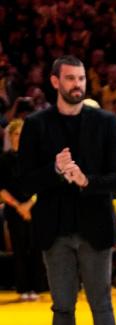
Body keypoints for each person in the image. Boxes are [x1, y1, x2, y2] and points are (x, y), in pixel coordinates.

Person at [19, 55, 116, 325]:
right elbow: (23, 182)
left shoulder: (106, 122)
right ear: (55, 82)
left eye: (81, 78)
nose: (77, 84)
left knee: (102, 307)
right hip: (55, 231)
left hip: (94, 228)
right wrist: (54, 170)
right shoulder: (36, 125)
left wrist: (87, 181)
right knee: (62, 308)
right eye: (70, 78)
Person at [1, 119, 46, 300]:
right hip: (14, 210)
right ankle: (23, 288)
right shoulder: (3, 160)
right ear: (10, 136)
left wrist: (29, 204)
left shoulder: (35, 158)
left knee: (36, 247)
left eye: (22, 134)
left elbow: (41, 185)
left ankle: (37, 287)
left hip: (34, 207)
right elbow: (2, 188)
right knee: (19, 249)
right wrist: (19, 206)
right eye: (16, 134)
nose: (19, 138)